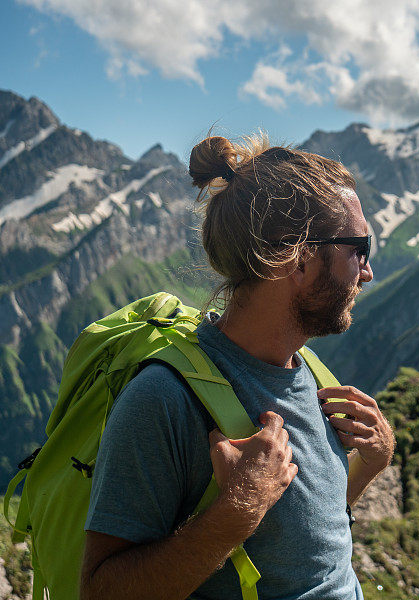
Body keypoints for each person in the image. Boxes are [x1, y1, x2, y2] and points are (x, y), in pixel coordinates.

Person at [79, 134, 396, 600]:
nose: (367, 272)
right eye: (358, 249)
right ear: (300, 259)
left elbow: (300, 545)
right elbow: (99, 592)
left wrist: (371, 465)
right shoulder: (164, 401)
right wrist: (238, 511)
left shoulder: (308, 372)